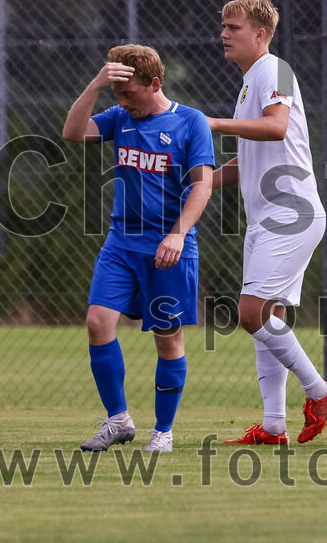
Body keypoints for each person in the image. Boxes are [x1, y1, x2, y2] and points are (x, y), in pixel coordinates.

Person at [62, 44, 215, 453]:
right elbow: (73, 133)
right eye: (118, 94)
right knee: (98, 322)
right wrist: (97, 84)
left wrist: (179, 233)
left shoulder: (191, 122)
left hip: (169, 248)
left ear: (155, 84)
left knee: (168, 338)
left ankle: (162, 432)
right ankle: (118, 421)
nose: (123, 102)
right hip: (121, 243)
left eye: (129, 94)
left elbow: (203, 184)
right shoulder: (119, 117)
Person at [208, 0, 327, 445]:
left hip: (291, 213)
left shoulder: (273, 70)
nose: (224, 33)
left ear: (260, 34)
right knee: (271, 316)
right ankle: (273, 426)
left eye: (234, 27)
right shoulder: (249, 83)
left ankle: (320, 392)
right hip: (268, 217)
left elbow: (277, 126)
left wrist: (212, 123)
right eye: (223, 26)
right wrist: (200, 180)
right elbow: (251, 158)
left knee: (251, 314)